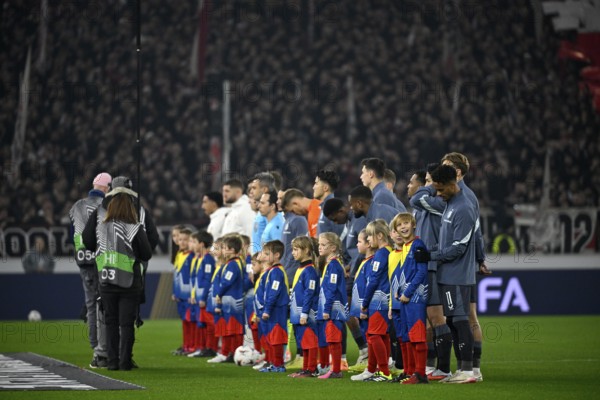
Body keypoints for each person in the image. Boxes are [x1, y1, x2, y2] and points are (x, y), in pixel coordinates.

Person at [415, 165, 478, 384]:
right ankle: (462, 369)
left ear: (452, 185)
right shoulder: (450, 205)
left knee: (460, 321)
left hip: (458, 275)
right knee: (452, 320)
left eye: (440, 190)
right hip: (447, 274)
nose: (438, 194)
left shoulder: (464, 209)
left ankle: (468, 370)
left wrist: (431, 256)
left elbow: (459, 247)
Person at [81, 191, 153, 371]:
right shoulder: (134, 227)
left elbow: (87, 242)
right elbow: (146, 253)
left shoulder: (101, 227)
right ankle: (125, 362)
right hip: (129, 281)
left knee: (110, 322)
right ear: (130, 208)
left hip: (106, 279)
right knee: (126, 324)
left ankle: (112, 362)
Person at [441, 152, 490, 381]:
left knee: (467, 317)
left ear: (458, 172)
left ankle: (472, 368)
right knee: (466, 316)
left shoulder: (465, 198)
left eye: (447, 166)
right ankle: (470, 368)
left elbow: (475, 233)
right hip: (464, 264)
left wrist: (479, 259)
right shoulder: (454, 196)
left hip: (461, 266)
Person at [69, 171, 111, 368]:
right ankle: (102, 348)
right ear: (106, 188)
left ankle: (95, 345)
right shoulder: (106, 205)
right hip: (101, 258)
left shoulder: (77, 205)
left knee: (91, 303)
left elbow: (74, 232)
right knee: (105, 303)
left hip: (82, 259)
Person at [393, 213, 429, 385]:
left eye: (406, 223)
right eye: (399, 225)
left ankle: (421, 374)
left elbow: (421, 272)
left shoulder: (418, 245)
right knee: (408, 336)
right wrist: (399, 290)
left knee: (417, 334)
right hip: (406, 297)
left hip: (415, 298)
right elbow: (406, 273)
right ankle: (411, 372)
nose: (403, 227)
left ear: (414, 224)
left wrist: (407, 292)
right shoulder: (406, 246)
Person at [355, 219, 393, 382]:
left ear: (379, 235)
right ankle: (371, 370)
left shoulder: (381, 254)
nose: (368, 239)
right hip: (385, 299)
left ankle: (383, 371)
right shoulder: (389, 251)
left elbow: (373, 280)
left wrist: (364, 302)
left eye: (370, 236)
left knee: (375, 334)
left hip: (378, 300)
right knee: (380, 334)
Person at [316, 232, 347, 379]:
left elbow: (332, 288)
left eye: (323, 245)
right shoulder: (330, 264)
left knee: (334, 339)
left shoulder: (334, 265)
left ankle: (335, 370)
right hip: (330, 308)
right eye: (319, 245)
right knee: (331, 339)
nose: (319, 247)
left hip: (334, 309)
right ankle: (334, 369)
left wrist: (327, 308)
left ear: (333, 247)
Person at [287, 236, 320, 378]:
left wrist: (305, 313)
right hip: (297, 313)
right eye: (292, 250)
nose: (293, 253)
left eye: (296, 249)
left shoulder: (310, 271)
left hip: (305, 314)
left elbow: (309, 293)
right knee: (303, 342)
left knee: (310, 341)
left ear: (306, 250)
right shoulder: (301, 269)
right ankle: (305, 368)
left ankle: (311, 369)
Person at [210, 235, 245, 363]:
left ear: (231, 250)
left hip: (233, 301)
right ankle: (229, 352)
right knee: (229, 328)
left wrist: (219, 294)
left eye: (224, 248)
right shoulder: (230, 263)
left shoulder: (233, 265)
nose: (222, 250)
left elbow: (226, 282)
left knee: (233, 329)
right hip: (229, 301)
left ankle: (233, 352)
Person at [259, 240, 290, 373]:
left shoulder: (277, 272)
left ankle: (279, 365)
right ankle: (274, 363)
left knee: (276, 337)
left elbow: (274, 292)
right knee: (272, 337)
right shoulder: (272, 271)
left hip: (276, 310)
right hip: (272, 309)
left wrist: (267, 309)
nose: (264, 256)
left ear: (276, 255)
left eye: (267, 253)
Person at [188, 230, 217, 358]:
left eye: (194, 242)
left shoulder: (208, 259)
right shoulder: (201, 258)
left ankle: (210, 348)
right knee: (202, 323)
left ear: (201, 244)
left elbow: (207, 279)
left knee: (208, 323)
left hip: (204, 297)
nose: (192, 245)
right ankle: (203, 347)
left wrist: (203, 296)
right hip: (199, 295)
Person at [348, 230, 373, 373]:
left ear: (368, 243)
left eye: (359, 242)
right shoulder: (363, 261)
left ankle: (373, 365)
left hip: (366, 308)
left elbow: (370, 285)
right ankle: (369, 363)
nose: (356, 245)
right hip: (362, 308)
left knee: (372, 335)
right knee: (367, 334)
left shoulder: (370, 262)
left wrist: (365, 307)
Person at [171, 228, 195, 355]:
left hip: (189, 295)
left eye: (186, 240)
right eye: (180, 240)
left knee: (191, 321)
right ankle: (186, 345)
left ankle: (192, 346)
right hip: (180, 294)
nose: (183, 242)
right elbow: (176, 274)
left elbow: (193, 276)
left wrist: (193, 293)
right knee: (184, 321)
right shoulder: (179, 255)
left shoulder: (192, 256)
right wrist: (174, 292)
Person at [247, 172, 276, 253]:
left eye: (254, 188)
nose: (251, 192)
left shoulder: (270, 212)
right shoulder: (261, 212)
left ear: (264, 189)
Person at [314, 169, 344, 237]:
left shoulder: (333, 208)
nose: (313, 187)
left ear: (325, 188)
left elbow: (338, 238)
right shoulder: (325, 207)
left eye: (316, 183)